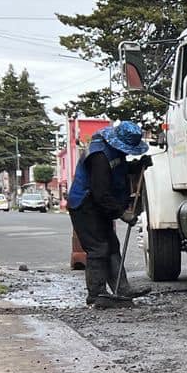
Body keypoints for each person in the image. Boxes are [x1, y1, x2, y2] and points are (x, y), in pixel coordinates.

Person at [66, 120, 150, 309]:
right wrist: (122, 213)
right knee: (98, 248)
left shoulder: (113, 152)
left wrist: (137, 166)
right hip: (86, 205)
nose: (128, 152)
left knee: (112, 245)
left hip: (99, 205)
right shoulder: (99, 156)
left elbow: (119, 169)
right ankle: (96, 295)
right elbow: (101, 192)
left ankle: (122, 289)